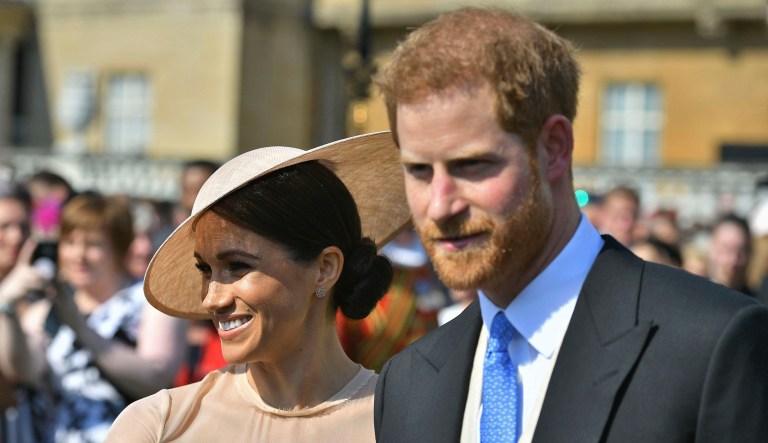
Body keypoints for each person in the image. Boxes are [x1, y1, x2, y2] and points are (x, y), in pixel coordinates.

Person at [372, 7, 768, 442]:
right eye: (419, 171)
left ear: (555, 149)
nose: (440, 205)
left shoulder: (711, 346)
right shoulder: (407, 382)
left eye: (472, 165)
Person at [105, 132, 410, 441]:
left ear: (324, 269)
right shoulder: (158, 426)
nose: (212, 298)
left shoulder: (406, 423)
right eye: (205, 269)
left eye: (238, 266)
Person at [0, 192, 187, 442]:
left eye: (93, 244)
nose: (79, 255)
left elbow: (156, 378)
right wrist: (7, 308)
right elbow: (24, 370)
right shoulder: (47, 310)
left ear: (120, 248)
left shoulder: (151, 302)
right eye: (70, 243)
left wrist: (82, 331)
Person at [707, 213, 754, 296]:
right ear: (711, 248)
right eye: (726, 249)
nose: (733, 260)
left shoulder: (757, 305)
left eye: (740, 252)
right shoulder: (693, 297)